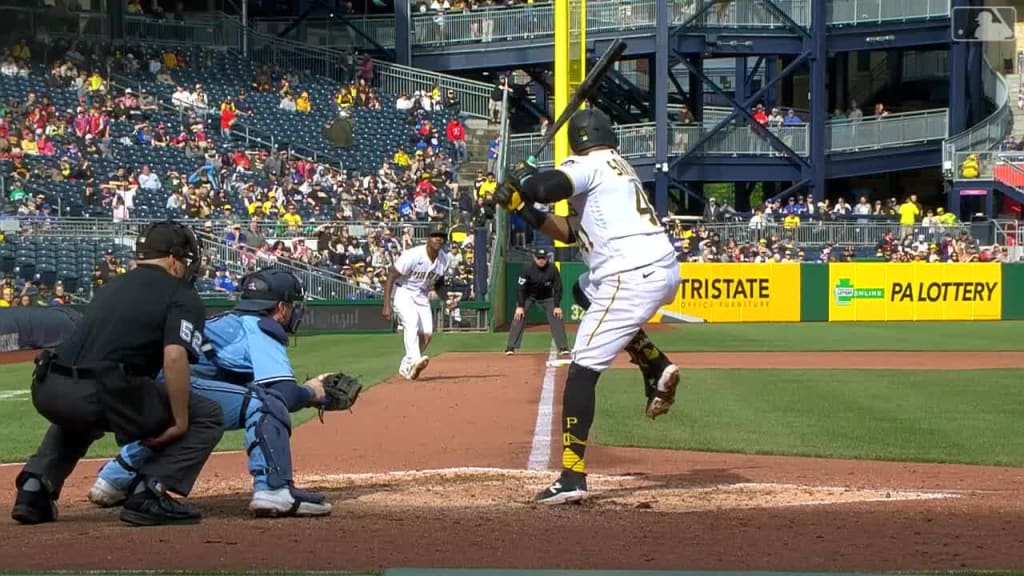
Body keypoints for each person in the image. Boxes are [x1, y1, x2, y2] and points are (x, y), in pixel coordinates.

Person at [494, 108, 682, 505]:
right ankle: (654, 363)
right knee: (582, 289)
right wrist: (517, 206)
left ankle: (572, 476)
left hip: (629, 275)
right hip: (658, 269)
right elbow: (565, 231)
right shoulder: (619, 165)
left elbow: (547, 188)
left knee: (580, 372)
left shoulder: (587, 164)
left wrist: (521, 181)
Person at [11, 221, 224, 526]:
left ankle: (34, 488)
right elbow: (175, 356)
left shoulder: (111, 286)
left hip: (48, 387)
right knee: (207, 414)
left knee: (80, 414)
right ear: (175, 259)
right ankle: (149, 493)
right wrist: (179, 421)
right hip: (102, 390)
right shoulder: (181, 294)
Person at [88, 268, 334, 518]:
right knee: (266, 403)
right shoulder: (261, 327)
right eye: (292, 304)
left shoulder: (228, 322)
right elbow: (283, 394)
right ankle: (274, 489)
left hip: (145, 389)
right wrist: (313, 392)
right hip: (169, 389)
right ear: (281, 307)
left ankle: (115, 479)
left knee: (198, 410)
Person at [381, 225, 453, 380]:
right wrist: (386, 304)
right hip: (403, 292)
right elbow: (391, 275)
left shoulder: (444, 259)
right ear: (428, 238)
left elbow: (438, 283)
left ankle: (407, 365)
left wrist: (447, 299)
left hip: (421, 295)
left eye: (441, 236)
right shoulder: (413, 255)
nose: (438, 239)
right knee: (411, 322)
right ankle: (414, 360)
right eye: (435, 235)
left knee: (427, 334)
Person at [505, 248, 570, 356]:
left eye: (543, 258)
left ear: (547, 259)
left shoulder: (552, 269)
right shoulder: (527, 268)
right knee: (518, 316)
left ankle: (563, 347)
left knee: (557, 316)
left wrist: (557, 306)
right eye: (539, 258)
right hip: (528, 296)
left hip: (547, 297)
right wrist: (520, 306)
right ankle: (510, 347)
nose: (541, 260)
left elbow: (558, 288)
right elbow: (520, 288)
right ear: (534, 258)